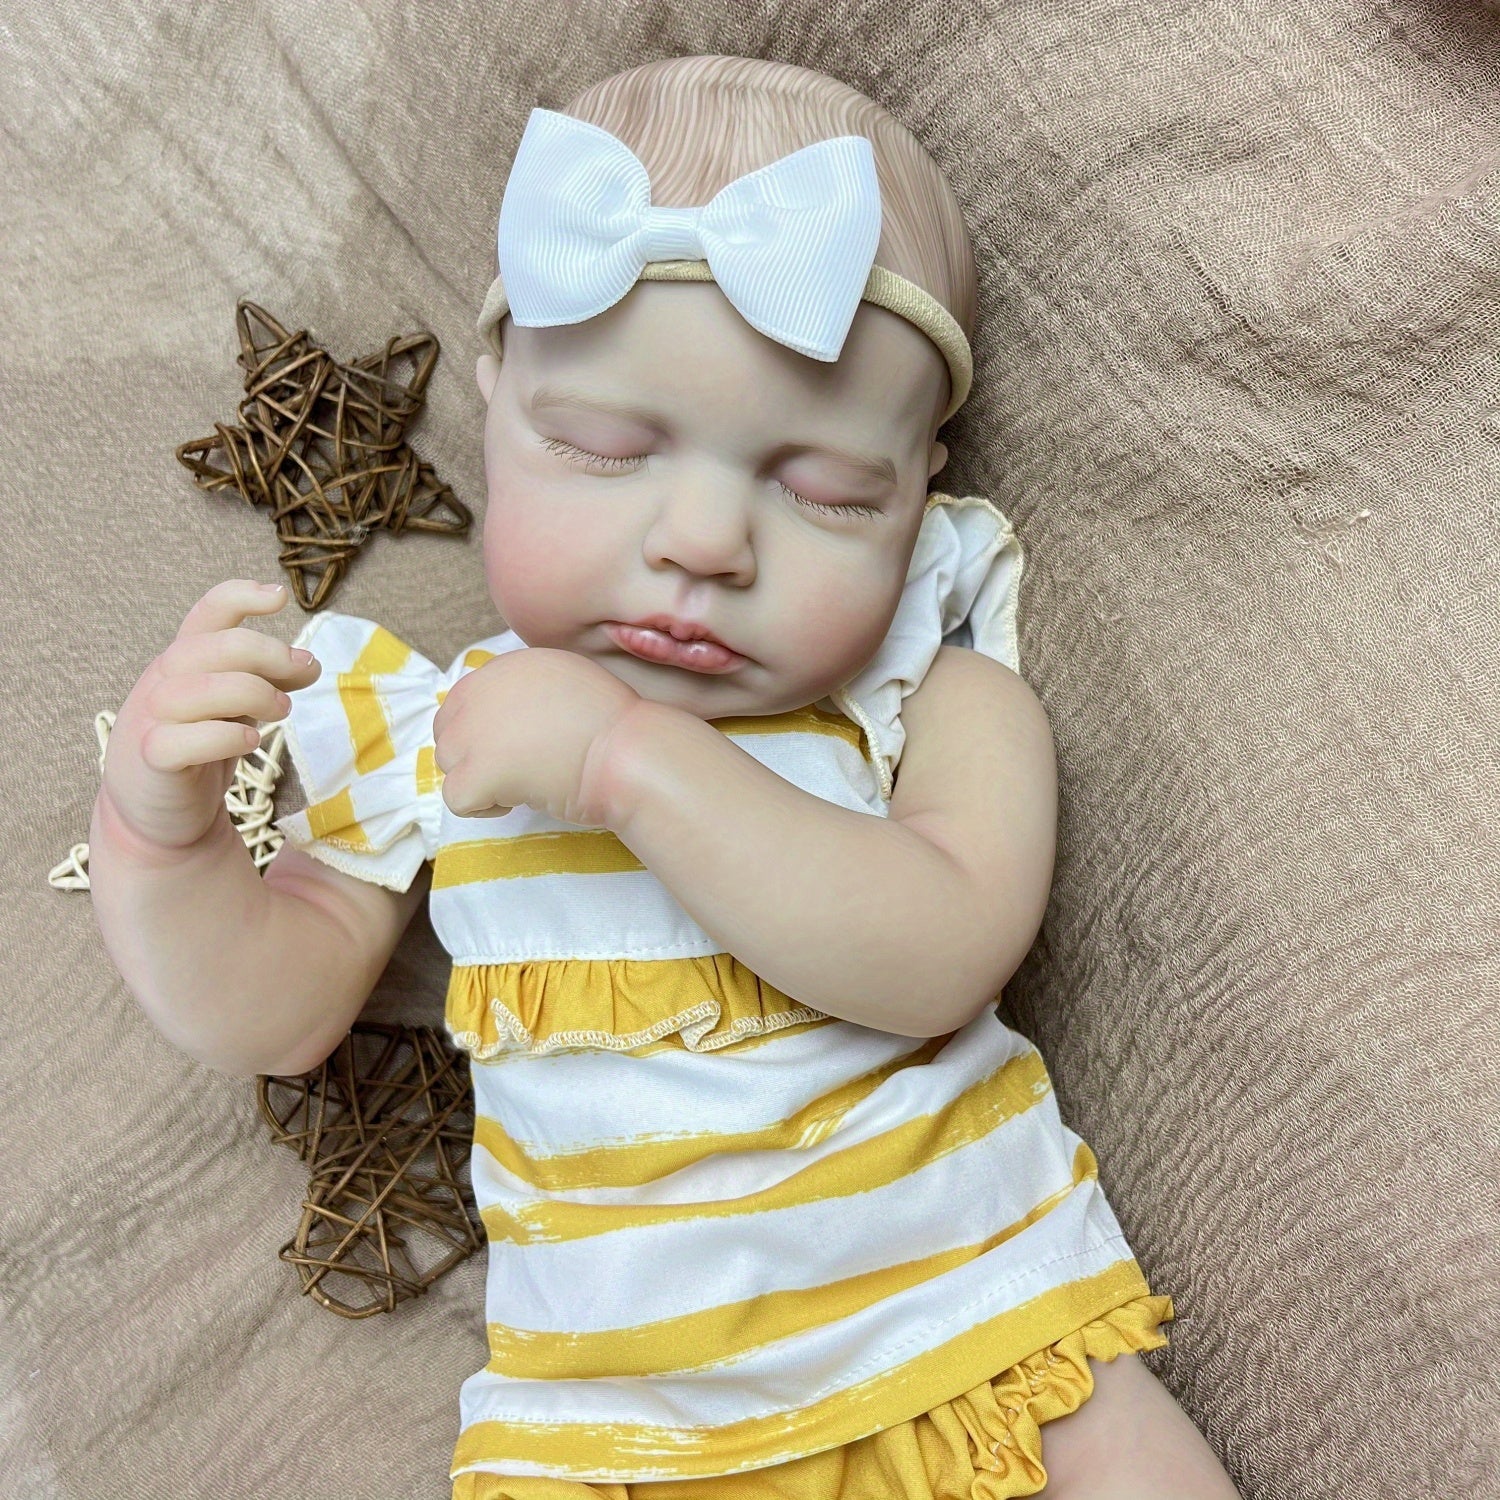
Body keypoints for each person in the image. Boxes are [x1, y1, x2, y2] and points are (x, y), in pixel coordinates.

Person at [88, 53, 1241, 1500]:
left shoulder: (928, 700)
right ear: (496, 411)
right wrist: (160, 836)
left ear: (919, 488)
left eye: (824, 491)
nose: (704, 540)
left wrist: (625, 764)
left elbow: (940, 954)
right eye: (602, 448)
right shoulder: (441, 729)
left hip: (981, 1340)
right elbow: (278, 1012)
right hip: (614, 1442)